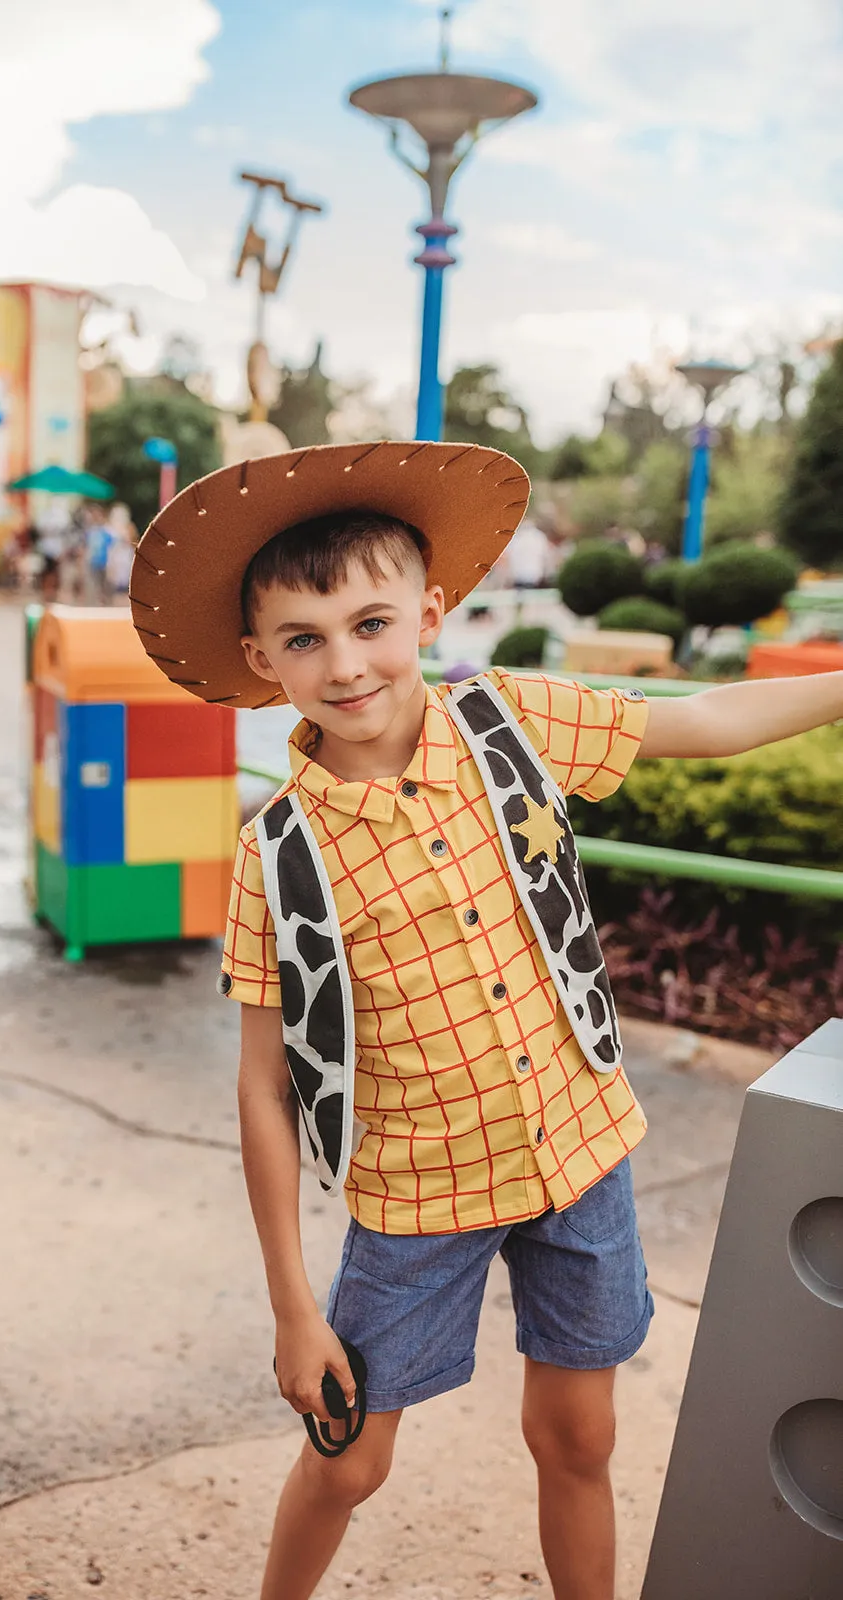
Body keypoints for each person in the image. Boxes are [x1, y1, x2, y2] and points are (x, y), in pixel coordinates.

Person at [128, 441, 843, 1600]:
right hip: (416, 1196)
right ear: (262, 660)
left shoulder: (511, 722)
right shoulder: (278, 850)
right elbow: (262, 1088)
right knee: (347, 1459)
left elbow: (705, 717)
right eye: (304, 640)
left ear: (431, 609)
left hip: (576, 1154)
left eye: (371, 622)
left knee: (577, 1439)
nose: (346, 663)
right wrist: (291, 1306)